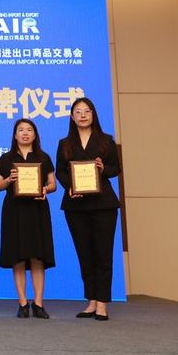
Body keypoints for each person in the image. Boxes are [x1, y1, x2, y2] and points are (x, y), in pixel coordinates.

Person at [55, 97, 121, 321]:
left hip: (104, 204)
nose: (82, 115)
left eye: (86, 111)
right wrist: (70, 187)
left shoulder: (106, 140)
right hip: (76, 205)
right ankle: (91, 300)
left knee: (103, 252)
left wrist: (102, 169)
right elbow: (61, 171)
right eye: (78, 112)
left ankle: (102, 302)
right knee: (84, 252)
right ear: (72, 117)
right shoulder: (65, 143)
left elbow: (116, 168)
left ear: (93, 114)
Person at [0, 119, 57, 319]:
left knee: (38, 256)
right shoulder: (6, 158)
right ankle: (22, 303)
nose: (25, 133)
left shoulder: (43, 157)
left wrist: (45, 189)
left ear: (35, 135)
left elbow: (53, 184)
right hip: (14, 211)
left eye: (29, 130)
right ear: (15, 135)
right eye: (20, 130)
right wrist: (8, 180)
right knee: (18, 256)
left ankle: (38, 303)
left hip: (37, 209)